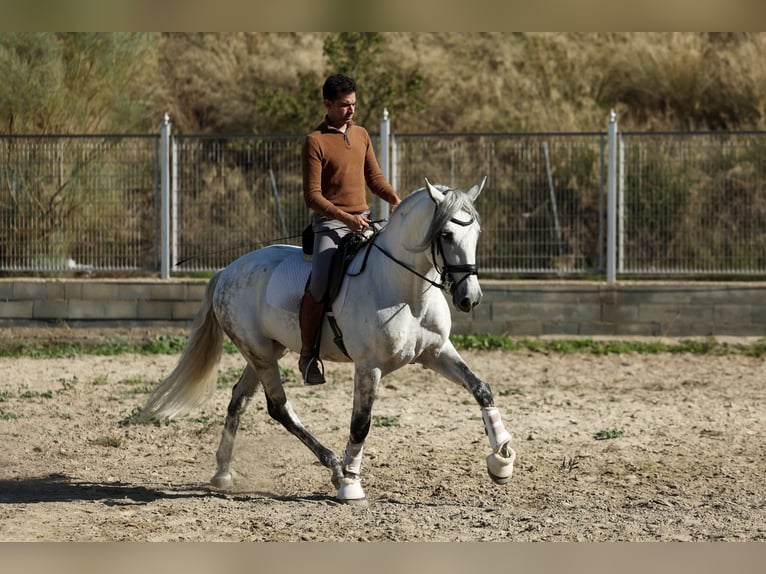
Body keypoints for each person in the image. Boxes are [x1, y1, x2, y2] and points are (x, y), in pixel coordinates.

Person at [299, 73, 401, 385]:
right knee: (319, 286)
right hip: (331, 225)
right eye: (344, 105)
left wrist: (395, 197)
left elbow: (374, 177)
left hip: (365, 220)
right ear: (327, 104)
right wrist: (345, 218)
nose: (351, 111)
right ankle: (308, 355)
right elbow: (313, 196)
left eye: (354, 104)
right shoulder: (315, 141)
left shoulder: (362, 135)